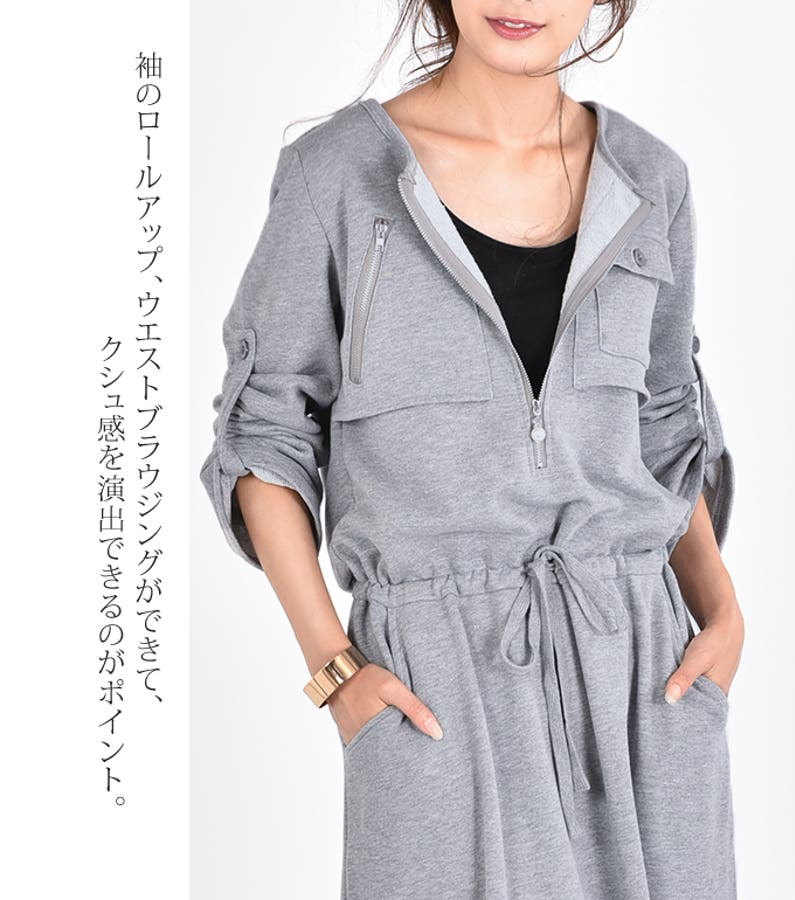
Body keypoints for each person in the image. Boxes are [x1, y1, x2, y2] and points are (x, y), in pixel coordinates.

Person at [199, 1, 745, 897]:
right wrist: (335, 673)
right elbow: (265, 437)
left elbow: (665, 431)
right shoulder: (336, 178)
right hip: (435, 685)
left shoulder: (652, 182)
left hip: (643, 676)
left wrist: (720, 612)